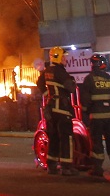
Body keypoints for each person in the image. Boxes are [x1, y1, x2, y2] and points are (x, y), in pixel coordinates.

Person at [78, 53, 110, 178]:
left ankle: (97, 168)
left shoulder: (89, 79)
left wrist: (85, 113)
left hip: (96, 118)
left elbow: (85, 99)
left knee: (96, 142)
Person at [37, 46, 78, 176]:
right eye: (64, 57)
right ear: (58, 57)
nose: (66, 59)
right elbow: (71, 88)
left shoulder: (47, 71)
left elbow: (39, 83)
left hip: (51, 109)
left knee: (53, 137)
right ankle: (66, 167)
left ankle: (52, 166)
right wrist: (73, 81)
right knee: (66, 138)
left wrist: (47, 94)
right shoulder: (61, 72)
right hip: (62, 110)